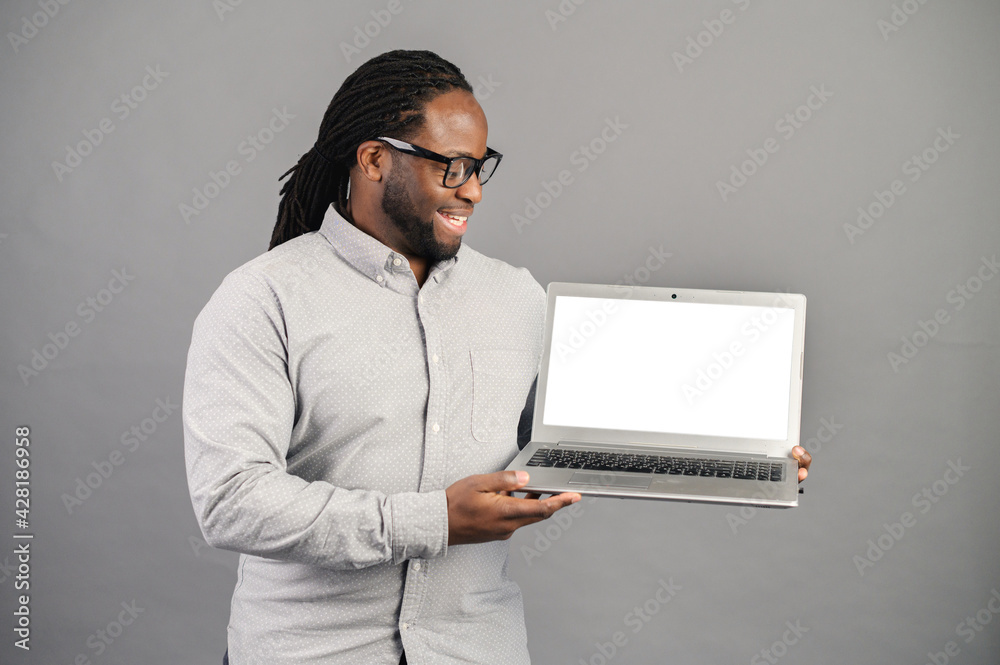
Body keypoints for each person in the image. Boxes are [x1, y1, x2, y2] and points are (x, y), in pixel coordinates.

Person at [182, 49, 812, 665]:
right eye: (452, 167)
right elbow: (231, 501)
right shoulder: (262, 299)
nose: (475, 192)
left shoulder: (516, 296)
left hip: (476, 647)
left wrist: (739, 451)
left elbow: (570, 436)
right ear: (375, 159)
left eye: (481, 167)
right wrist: (432, 520)